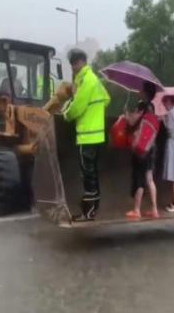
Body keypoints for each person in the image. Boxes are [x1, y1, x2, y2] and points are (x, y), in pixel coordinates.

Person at [63, 49, 110, 221]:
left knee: (87, 176)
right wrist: (95, 112)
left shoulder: (86, 82)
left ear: (78, 63)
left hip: (87, 136)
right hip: (98, 137)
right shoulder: (94, 80)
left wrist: (65, 113)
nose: (73, 68)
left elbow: (76, 108)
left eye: (72, 65)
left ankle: (88, 212)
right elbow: (106, 99)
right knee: (92, 174)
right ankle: (93, 209)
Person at [125, 81, 159, 219]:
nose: (139, 91)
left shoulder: (143, 106)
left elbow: (132, 122)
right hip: (152, 147)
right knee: (149, 178)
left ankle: (137, 210)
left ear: (145, 92)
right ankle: (154, 210)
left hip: (142, 148)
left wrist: (126, 114)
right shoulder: (154, 107)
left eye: (141, 89)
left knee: (139, 178)